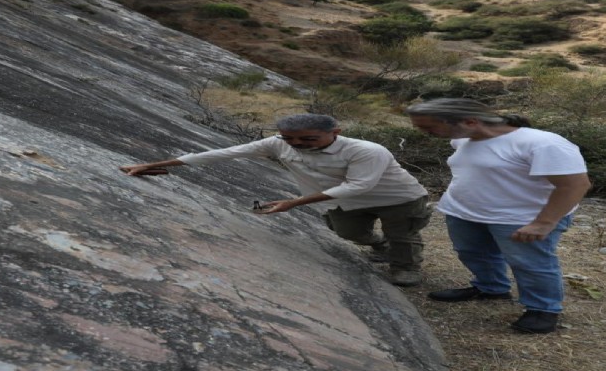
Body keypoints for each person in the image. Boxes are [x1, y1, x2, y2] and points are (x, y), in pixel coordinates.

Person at [120, 113, 431, 286]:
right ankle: (380, 246)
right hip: (343, 202)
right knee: (348, 232)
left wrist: (292, 203)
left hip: (396, 198)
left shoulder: (366, 150)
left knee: (402, 233)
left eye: (308, 139)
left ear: (336, 131)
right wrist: (155, 163)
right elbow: (225, 154)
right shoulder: (278, 144)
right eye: (290, 139)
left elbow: (358, 186)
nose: (297, 145)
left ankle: (407, 267)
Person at [406, 98, 591, 334]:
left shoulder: (542, 143)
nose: (424, 133)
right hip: (465, 212)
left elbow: (575, 185)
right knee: (473, 253)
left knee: (530, 264)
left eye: (428, 127)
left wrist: (544, 223)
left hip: (520, 217)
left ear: (470, 121)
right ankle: (491, 288)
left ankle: (543, 309)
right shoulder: (462, 138)